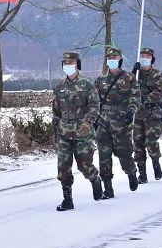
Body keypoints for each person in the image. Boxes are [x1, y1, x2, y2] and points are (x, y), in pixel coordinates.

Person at [51, 51, 103, 211]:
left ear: (77, 65)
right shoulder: (59, 87)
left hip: (82, 132)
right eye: (65, 64)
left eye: (70, 63)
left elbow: (95, 107)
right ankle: (68, 200)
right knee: (63, 168)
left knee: (84, 166)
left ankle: (95, 179)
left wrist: (88, 122)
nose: (67, 66)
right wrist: (56, 132)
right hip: (65, 133)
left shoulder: (87, 85)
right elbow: (56, 111)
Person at [94, 46, 140, 198]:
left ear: (120, 59)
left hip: (122, 122)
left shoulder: (129, 78)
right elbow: (94, 100)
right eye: (109, 58)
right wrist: (94, 118)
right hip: (104, 123)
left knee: (124, 154)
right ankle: (108, 187)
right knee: (104, 156)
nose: (112, 60)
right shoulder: (101, 79)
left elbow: (135, 97)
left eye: (114, 58)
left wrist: (131, 111)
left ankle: (131, 172)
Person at [132, 47, 162, 182]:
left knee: (151, 142)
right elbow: (128, 88)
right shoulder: (136, 75)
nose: (144, 58)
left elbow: (160, 91)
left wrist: (145, 98)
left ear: (152, 59)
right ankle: (142, 173)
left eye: (147, 56)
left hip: (152, 113)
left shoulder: (158, 74)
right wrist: (133, 73)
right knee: (138, 144)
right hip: (138, 114)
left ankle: (156, 164)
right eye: (142, 56)